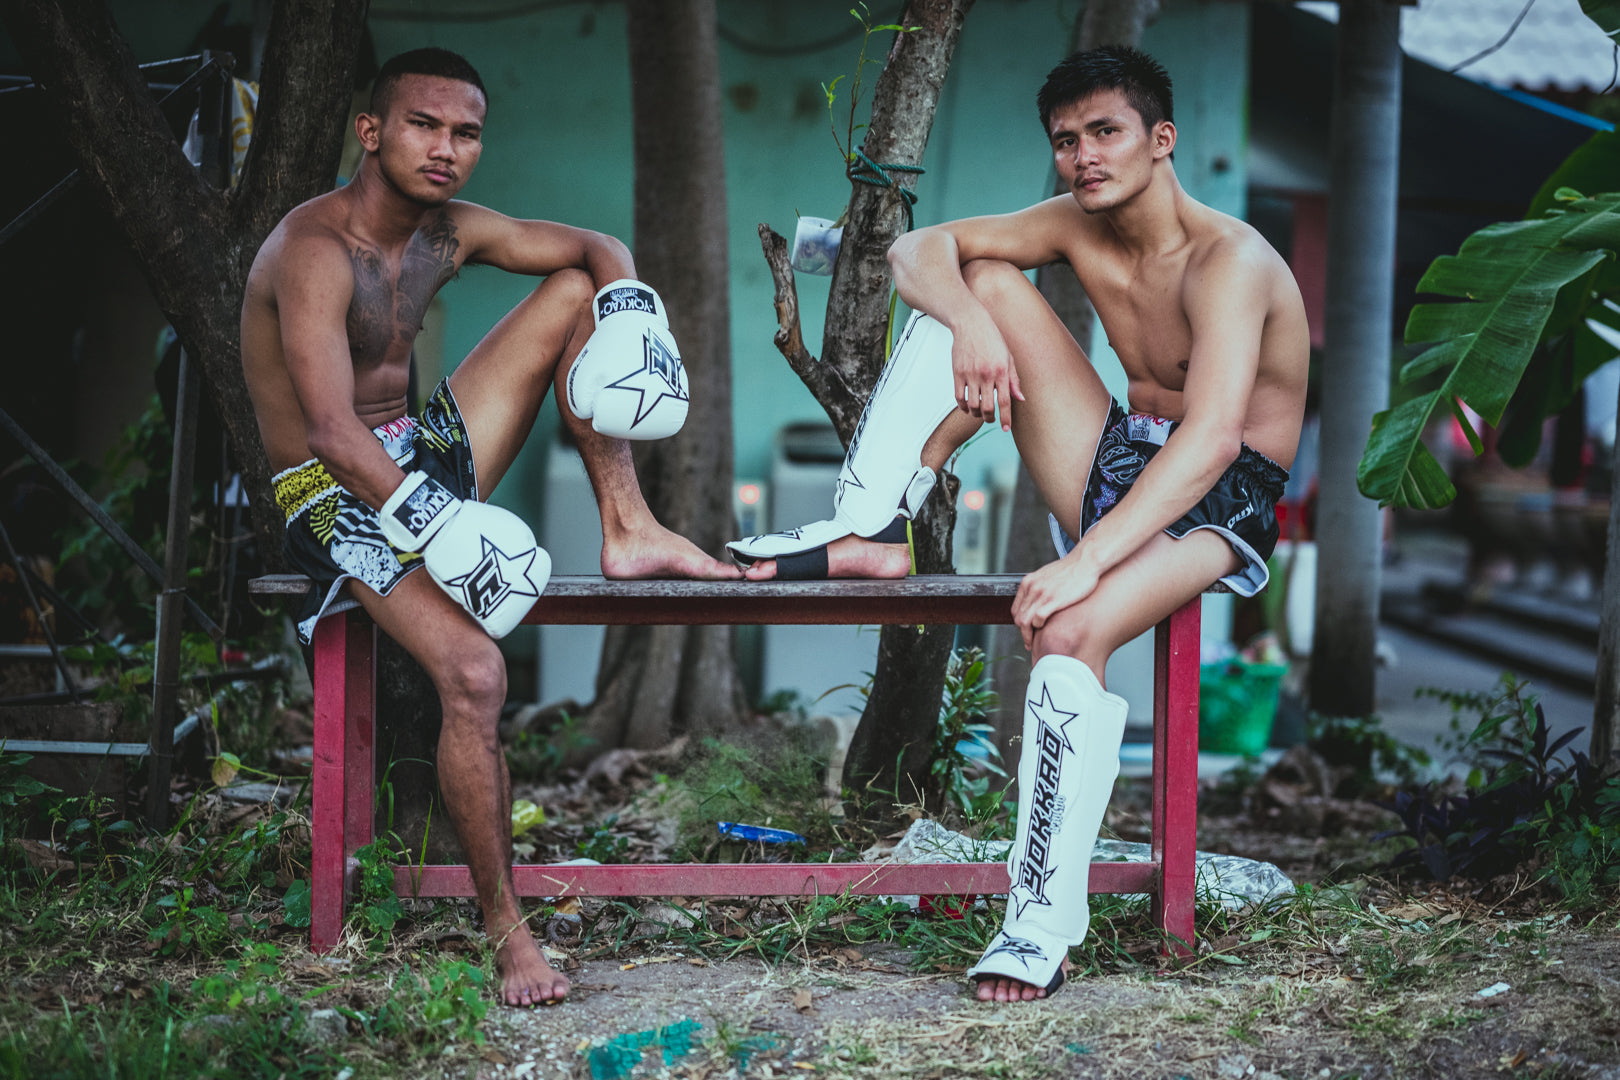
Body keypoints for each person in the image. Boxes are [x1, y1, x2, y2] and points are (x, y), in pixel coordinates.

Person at [727, 46, 1308, 1002]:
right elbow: (919, 251)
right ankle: (878, 523)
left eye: (1106, 133)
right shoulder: (1074, 226)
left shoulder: (1229, 262)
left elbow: (1208, 446)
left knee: (1066, 627)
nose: (1085, 156)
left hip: (1217, 497)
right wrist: (973, 322)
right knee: (989, 280)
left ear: (1161, 141)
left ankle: (1040, 922)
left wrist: (1082, 561)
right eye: (1067, 140)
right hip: (1122, 460)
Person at [241, 47, 740, 1007]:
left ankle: (628, 525)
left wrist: (632, 315)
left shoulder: (449, 233)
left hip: (415, 452)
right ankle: (510, 934)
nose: (446, 149)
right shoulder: (311, 252)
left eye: (465, 132)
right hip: (332, 492)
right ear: (371, 131)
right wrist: (433, 523)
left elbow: (594, 248)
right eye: (424, 125)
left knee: (573, 295)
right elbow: (331, 432)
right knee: (476, 673)